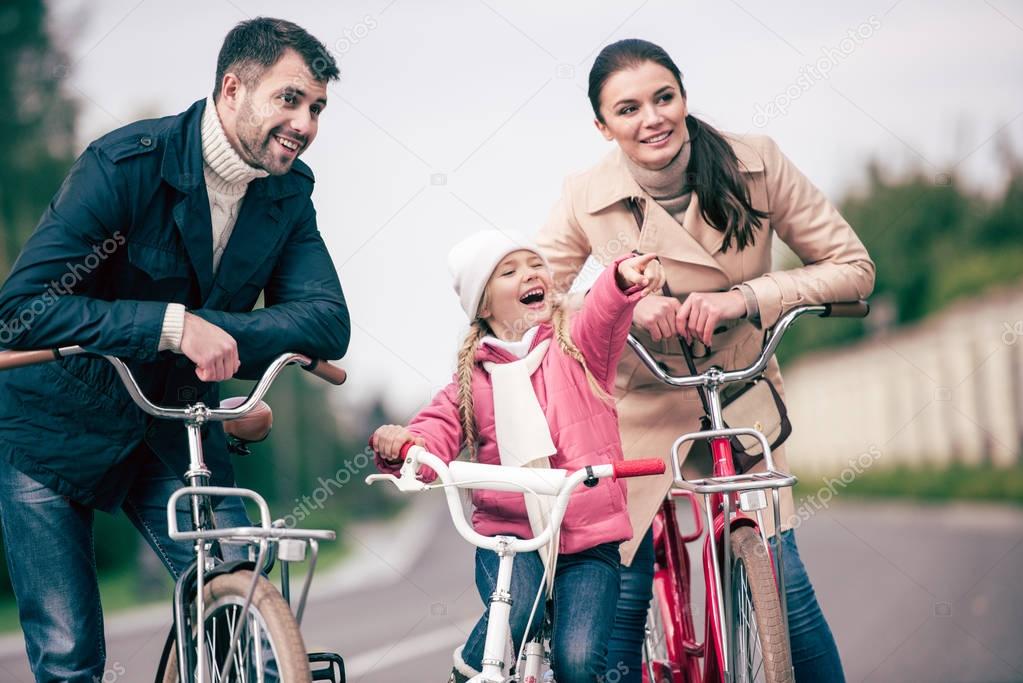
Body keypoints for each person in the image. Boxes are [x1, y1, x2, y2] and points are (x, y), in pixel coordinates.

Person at [0, 17, 349, 682]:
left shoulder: (286, 193)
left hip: (174, 426)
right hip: (50, 428)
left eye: (317, 108)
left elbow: (325, 321)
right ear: (232, 88)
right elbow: (22, 311)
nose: (304, 123)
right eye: (289, 99)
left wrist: (204, 329)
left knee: (245, 612)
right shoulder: (126, 163)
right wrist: (170, 326)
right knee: (70, 655)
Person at [535, 38, 876, 683]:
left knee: (788, 592)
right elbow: (533, 300)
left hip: (738, 389)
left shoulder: (756, 162)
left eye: (664, 98)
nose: (652, 119)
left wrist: (746, 297)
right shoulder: (584, 194)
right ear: (602, 126)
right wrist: (621, 306)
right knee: (622, 596)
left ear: (685, 99)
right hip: (641, 398)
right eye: (628, 108)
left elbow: (853, 267)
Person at [371, 230, 664, 683]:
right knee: (517, 613)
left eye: (534, 264)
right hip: (509, 537)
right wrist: (403, 445)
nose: (530, 273)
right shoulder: (470, 384)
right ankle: (470, 667)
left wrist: (620, 278)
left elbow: (605, 310)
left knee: (580, 660)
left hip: (588, 541)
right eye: (509, 271)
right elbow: (433, 432)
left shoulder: (579, 347)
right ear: (484, 306)